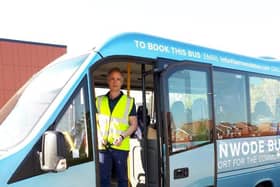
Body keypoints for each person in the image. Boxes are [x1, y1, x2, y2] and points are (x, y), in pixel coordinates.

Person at [96, 67, 138, 187]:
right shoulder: (98, 101)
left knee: (122, 179)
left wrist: (122, 136)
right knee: (103, 178)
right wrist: (99, 137)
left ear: (122, 82)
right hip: (103, 146)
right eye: (112, 79)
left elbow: (134, 125)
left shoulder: (129, 102)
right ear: (108, 81)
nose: (115, 82)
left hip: (121, 146)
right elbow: (95, 122)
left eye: (118, 79)